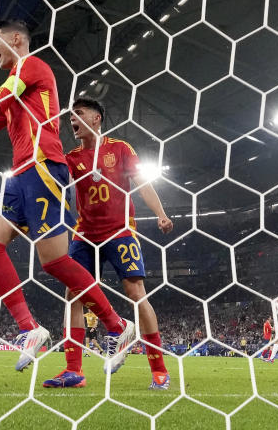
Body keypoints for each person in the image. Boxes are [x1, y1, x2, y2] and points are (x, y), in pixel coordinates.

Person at [0, 19, 137, 375]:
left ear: (16, 39)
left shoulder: (31, 66)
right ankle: (30, 329)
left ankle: (118, 325)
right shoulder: (18, 92)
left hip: (44, 166)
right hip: (20, 175)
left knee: (54, 262)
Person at [42, 97, 174, 390]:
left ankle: (159, 371)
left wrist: (161, 215)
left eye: (79, 114)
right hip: (85, 234)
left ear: (96, 118)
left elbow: (142, 183)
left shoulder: (120, 149)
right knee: (73, 293)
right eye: (70, 116)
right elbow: (54, 186)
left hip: (120, 231)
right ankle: (73, 370)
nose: (72, 120)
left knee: (135, 291)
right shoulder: (72, 157)